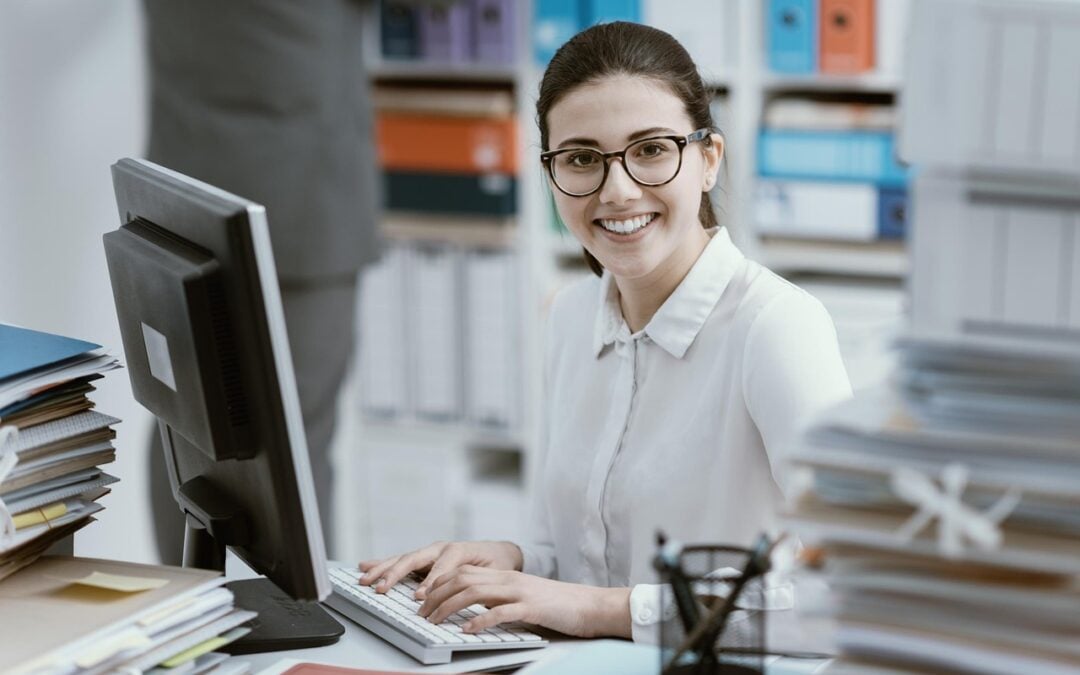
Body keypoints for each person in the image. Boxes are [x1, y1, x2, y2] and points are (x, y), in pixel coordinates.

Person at [357, 21, 851, 643]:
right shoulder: (570, 316)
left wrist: (600, 611)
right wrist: (514, 564)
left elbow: (855, 596)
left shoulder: (776, 326)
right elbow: (580, 563)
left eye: (650, 149)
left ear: (707, 159)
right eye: (583, 159)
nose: (617, 191)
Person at [141, 0, 381, 563]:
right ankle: (294, 625)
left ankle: (188, 620)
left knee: (186, 427)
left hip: (183, 179)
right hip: (300, 192)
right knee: (294, 443)